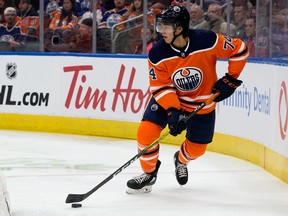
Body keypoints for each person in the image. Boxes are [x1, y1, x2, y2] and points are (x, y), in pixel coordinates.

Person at [126, 5, 248, 194]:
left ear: (180, 29)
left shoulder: (207, 40)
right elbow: (160, 86)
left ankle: (181, 160)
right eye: (161, 26)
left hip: (202, 104)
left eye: (167, 27)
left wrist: (231, 78)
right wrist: (173, 110)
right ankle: (149, 173)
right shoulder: (158, 52)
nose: (162, 31)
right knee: (145, 132)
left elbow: (240, 49)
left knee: (197, 150)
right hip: (169, 100)